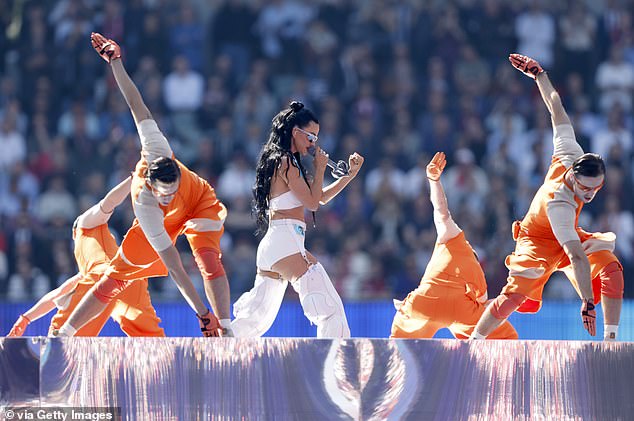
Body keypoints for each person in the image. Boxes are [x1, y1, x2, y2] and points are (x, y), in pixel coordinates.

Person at [55, 33, 230, 337]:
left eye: (173, 189)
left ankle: (226, 331)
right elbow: (174, 267)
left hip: (199, 198)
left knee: (208, 258)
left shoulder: (156, 147)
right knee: (114, 279)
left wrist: (116, 62)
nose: (170, 196)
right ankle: (64, 335)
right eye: (166, 195)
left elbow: (136, 103)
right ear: (152, 187)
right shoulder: (146, 206)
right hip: (162, 223)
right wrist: (202, 314)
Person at [471, 54, 623, 340]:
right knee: (514, 297)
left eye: (596, 189)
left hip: (567, 237)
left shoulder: (570, 151)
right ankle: (473, 343)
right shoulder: (560, 203)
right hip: (537, 240)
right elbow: (576, 256)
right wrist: (587, 302)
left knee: (612, 269)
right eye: (586, 188)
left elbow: (555, 105)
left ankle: (611, 342)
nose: (590, 195)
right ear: (574, 178)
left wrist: (539, 74)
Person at [231, 101, 364, 338]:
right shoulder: (286, 162)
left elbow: (318, 197)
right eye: (311, 136)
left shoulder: (285, 162)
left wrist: (349, 177)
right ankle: (331, 367)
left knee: (254, 321)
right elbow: (313, 203)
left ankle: (214, 349)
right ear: (295, 132)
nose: (314, 143)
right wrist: (320, 168)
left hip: (281, 243)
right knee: (329, 310)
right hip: (285, 241)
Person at [7, 177, 164, 337]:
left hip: (103, 279)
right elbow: (58, 294)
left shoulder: (84, 222)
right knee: (154, 342)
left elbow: (109, 202)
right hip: (131, 281)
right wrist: (26, 318)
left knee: (61, 342)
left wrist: (133, 178)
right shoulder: (88, 259)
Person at [390, 152, 517, 339]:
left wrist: (434, 180)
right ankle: (483, 364)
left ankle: (398, 364)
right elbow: (485, 308)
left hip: (425, 300)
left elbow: (440, 210)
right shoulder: (479, 275)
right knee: (502, 337)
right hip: (461, 311)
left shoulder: (454, 239)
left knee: (400, 342)